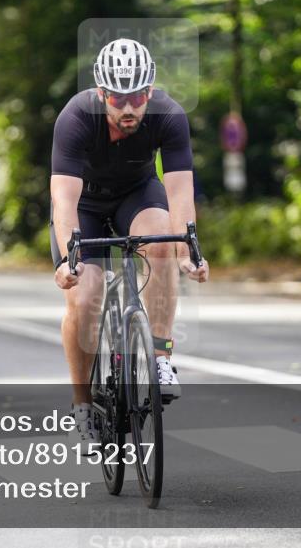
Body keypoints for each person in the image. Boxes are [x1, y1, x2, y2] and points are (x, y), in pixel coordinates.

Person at [50, 37, 209, 452]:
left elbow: (179, 195)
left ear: (150, 92)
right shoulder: (75, 117)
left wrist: (189, 252)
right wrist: (70, 259)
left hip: (137, 195)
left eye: (137, 96)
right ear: (101, 93)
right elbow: (63, 198)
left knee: (161, 242)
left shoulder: (169, 116)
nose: (128, 108)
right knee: (85, 296)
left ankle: (159, 357)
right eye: (118, 98)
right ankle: (82, 404)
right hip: (84, 205)